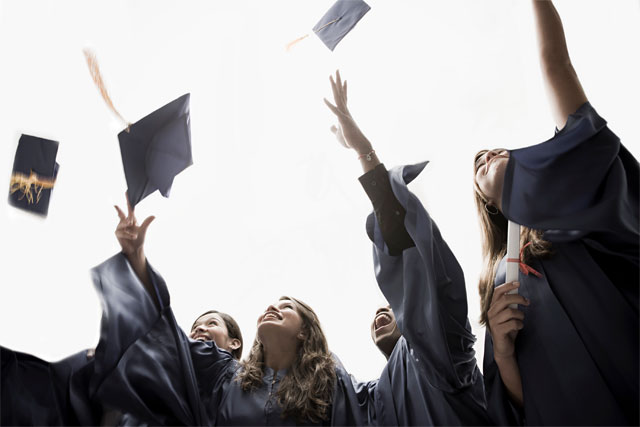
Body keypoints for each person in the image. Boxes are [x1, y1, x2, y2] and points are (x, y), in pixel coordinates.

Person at [474, 1, 639, 425]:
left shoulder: (572, 195)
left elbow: (557, 66)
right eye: (477, 167)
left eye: (497, 151)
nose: (487, 155)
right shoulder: (496, 281)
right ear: (489, 205)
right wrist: (503, 350)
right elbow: (520, 402)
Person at [85, 195, 365, 425]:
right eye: (271, 303)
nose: (271, 306)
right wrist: (136, 261)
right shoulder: (226, 376)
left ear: (305, 331)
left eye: (286, 306)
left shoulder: (330, 382)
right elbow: (169, 340)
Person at [324, 70, 490, 425]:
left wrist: (363, 152)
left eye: (392, 306)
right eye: (381, 310)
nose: (382, 312)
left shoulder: (445, 350)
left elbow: (408, 255)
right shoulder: (372, 399)